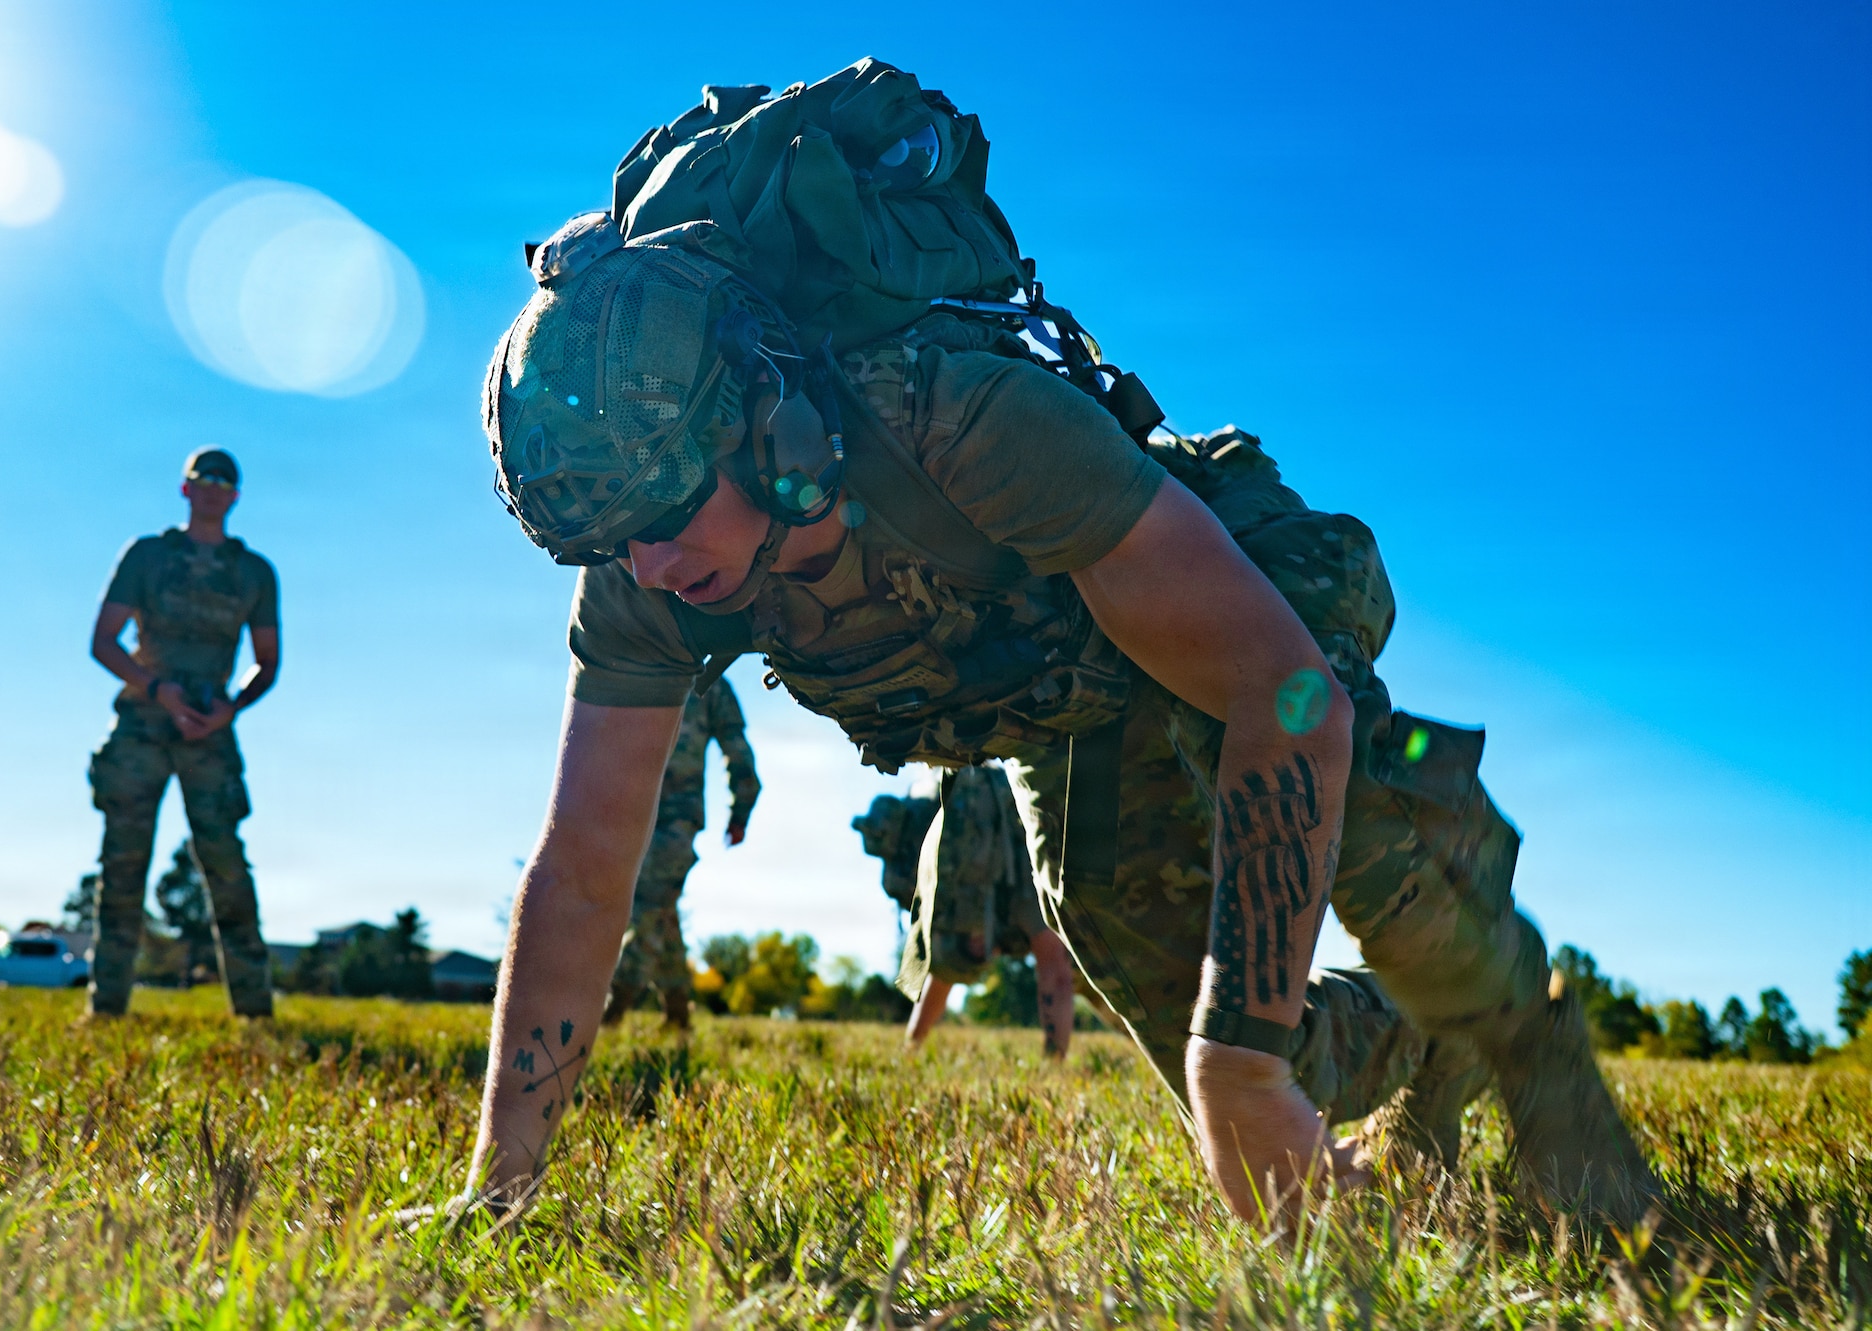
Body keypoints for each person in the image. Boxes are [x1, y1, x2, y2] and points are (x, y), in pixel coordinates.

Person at [462, 232, 1654, 1226]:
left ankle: (1532, 1064)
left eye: (665, 512)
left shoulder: (956, 426)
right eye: (603, 543)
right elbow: (578, 876)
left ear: (761, 419)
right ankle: (1416, 1047)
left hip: (1224, 596)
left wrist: (1231, 1062)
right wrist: (498, 1188)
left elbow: (1272, 692)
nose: (649, 566)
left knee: (1354, 840)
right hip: (1058, 695)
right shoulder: (638, 571)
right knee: (1147, 955)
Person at [83, 448, 280, 1018]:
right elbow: (103, 640)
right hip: (142, 727)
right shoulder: (147, 556)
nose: (215, 487)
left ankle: (254, 1014)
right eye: (204, 479)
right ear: (185, 488)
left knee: (226, 867)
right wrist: (156, 688)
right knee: (122, 865)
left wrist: (232, 708)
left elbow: (267, 661)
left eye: (225, 481)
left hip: (209, 732)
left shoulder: (254, 572)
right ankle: (106, 1009)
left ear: (235, 496)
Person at [853, 765, 1077, 1057]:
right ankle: (911, 1047)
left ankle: (1055, 1060)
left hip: (1024, 855)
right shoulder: (957, 879)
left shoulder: (986, 881)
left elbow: (1056, 972)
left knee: (1070, 969)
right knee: (1065, 968)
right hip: (996, 873)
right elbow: (941, 972)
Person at [603, 675, 759, 1031]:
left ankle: (612, 1012)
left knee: (648, 907)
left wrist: (741, 810)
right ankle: (677, 1016)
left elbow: (737, 752)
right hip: (631, 816)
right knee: (660, 911)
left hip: (668, 819)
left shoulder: (704, 681)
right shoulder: (642, 664)